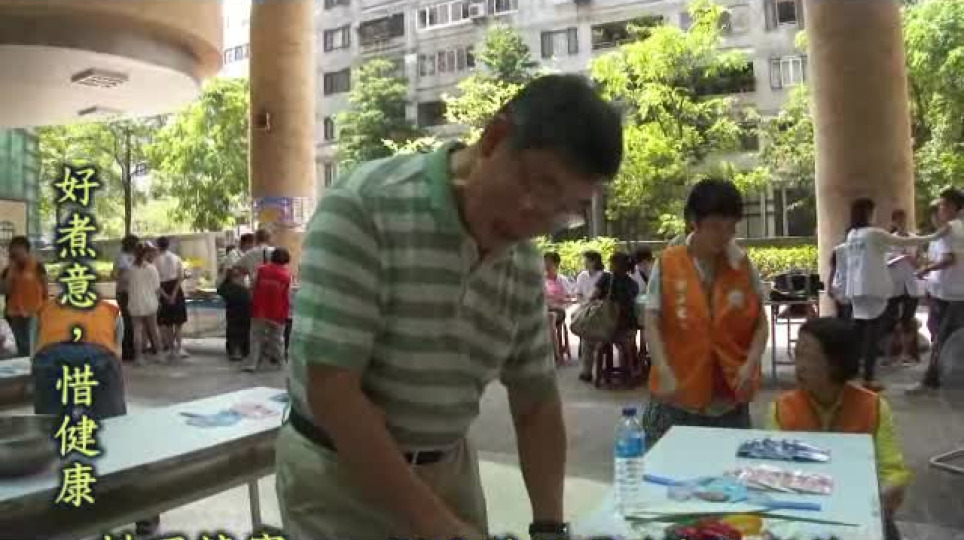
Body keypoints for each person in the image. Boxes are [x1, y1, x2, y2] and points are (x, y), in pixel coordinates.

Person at [276, 74, 623, 540]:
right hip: (339, 478)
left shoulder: (521, 261)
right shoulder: (364, 206)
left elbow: (536, 401)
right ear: (494, 138)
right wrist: (435, 524)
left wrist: (549, 526)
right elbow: (333, 392)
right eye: (539, 186)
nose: (536, 219)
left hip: (447, 469)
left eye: (566, 210)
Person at [641, 179, 769, 445]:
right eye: (715, 227)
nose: (723, 236)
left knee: (728, 467)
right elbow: (651, 320)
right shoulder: (668, 263)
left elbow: (761, 323)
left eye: (730, 227)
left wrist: (751, 364)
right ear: (694, 222)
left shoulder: (743, 266)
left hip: (729, 400)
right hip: (676, 397)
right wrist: (663, 369)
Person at [768, 317, 910, 540]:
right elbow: (772, 472)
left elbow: (891, 470)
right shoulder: (781, 409)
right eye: (797, 355)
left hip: (859, 511)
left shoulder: (873, 407)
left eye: (808, 357)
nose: (799, 366)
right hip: (801, 513)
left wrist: (888, 491)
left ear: (836, 363)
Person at [842, 198, 941, 392]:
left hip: (856, 289)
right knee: (872, 333)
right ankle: (868, 377)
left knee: (859, 332)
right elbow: (906, 241)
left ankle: (851, 373)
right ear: (868, 213)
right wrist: (935, 236)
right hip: (873, 288)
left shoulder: (852, 235)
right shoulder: (874, 233)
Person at [908, 187, 964, 395]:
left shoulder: (951, 227)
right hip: (951, 292)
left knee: (941, 338)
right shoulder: (958, 227)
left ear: (952, 207)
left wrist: (926, 269)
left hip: (951, 294)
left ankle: (930, 382)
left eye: (943, 205)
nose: (940, 209)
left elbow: (949, 259)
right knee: (946, 336)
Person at [580, 252, 639, 382]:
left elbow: (592, 297)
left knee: (587, 338)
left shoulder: (606, 278)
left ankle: (586, 372)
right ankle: (627, 370)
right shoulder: (633, 284)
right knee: (626, 344)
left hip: (606, 329)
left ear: (614, 265)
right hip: (627, 330)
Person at [883, 209, 924, 366]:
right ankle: (888, 355)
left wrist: (912, 259)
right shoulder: (889, 240)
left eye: (903, 220)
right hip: (894, 284)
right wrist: (895, 258)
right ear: (893, 222)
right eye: (898, 220)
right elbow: (884, 262)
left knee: (907, 320)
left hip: (911, 284)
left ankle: (905, 354)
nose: (901, 223)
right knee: (889, 321)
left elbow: (920, 262)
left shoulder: (914, 239)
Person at [244, 247, 292, 372]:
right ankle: (282, 364)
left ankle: (252, 364)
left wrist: (252, 300)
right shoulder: (287, 275)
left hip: (259, 309)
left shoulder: (261, 270)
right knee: (277, 339)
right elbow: (287, 295)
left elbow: (252, 286)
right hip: (277, 311)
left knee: (256, 337)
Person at [1, 236, 47, 356]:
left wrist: (45, 308)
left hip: (34, 312)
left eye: (20, 253)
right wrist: (11, 271)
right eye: (14, 254)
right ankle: (25, 362)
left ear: (27, 251)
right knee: (22, 345)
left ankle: (34, 361)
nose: (17, 257)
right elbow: (5, 290)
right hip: (15, 314)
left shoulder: (37, 267)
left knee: (32, 343)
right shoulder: (8, 271)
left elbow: (45, 289)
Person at [127, 242, 162, 365]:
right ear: (146, 254)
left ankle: (139, 357)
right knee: (154, 329)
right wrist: (158, 300)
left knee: (137, 330)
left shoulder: (130, 269)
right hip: (150, 302)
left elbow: (128, 286)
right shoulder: (151, 268)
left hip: (135, 303)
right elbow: (157, 288)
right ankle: (159, 354)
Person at [154, 236, 189, 360]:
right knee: (178, 323)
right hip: (176, 288)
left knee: (168, 323)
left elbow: (156, 282)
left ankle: (171, 349)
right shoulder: (176, 258)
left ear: (158, 246)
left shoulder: (155, 261)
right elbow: (181, 277)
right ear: (168, 245)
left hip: (163, 288)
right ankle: (179, 348)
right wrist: (174, 294)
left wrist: (165, 295)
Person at [574, 250, 607, 381]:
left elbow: (603, 297)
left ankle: (587, 369)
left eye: (586, 260)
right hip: (584, 307)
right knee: (577, 318)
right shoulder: (582, 276)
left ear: (594, 261)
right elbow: (578, 294)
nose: (584, 262)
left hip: (598, 308)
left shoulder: (604, 276)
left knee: (589, 327)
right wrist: (583, 304)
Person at [112, 234, 139, 362]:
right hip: (124, 292)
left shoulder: (135, 256)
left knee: (134, 321)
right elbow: (116, 274)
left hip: (134, 291)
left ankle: (134, 348)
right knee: (127, 321)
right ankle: (127, 350)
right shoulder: (121, 257)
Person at [219, 267, 251, 362]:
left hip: (234, 313)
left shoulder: (227, 287)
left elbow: (220, 290)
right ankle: (239, 351)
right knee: (240, 332)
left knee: (234, 331)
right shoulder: (240, 288)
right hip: (241, 312)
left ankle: (235, 350)